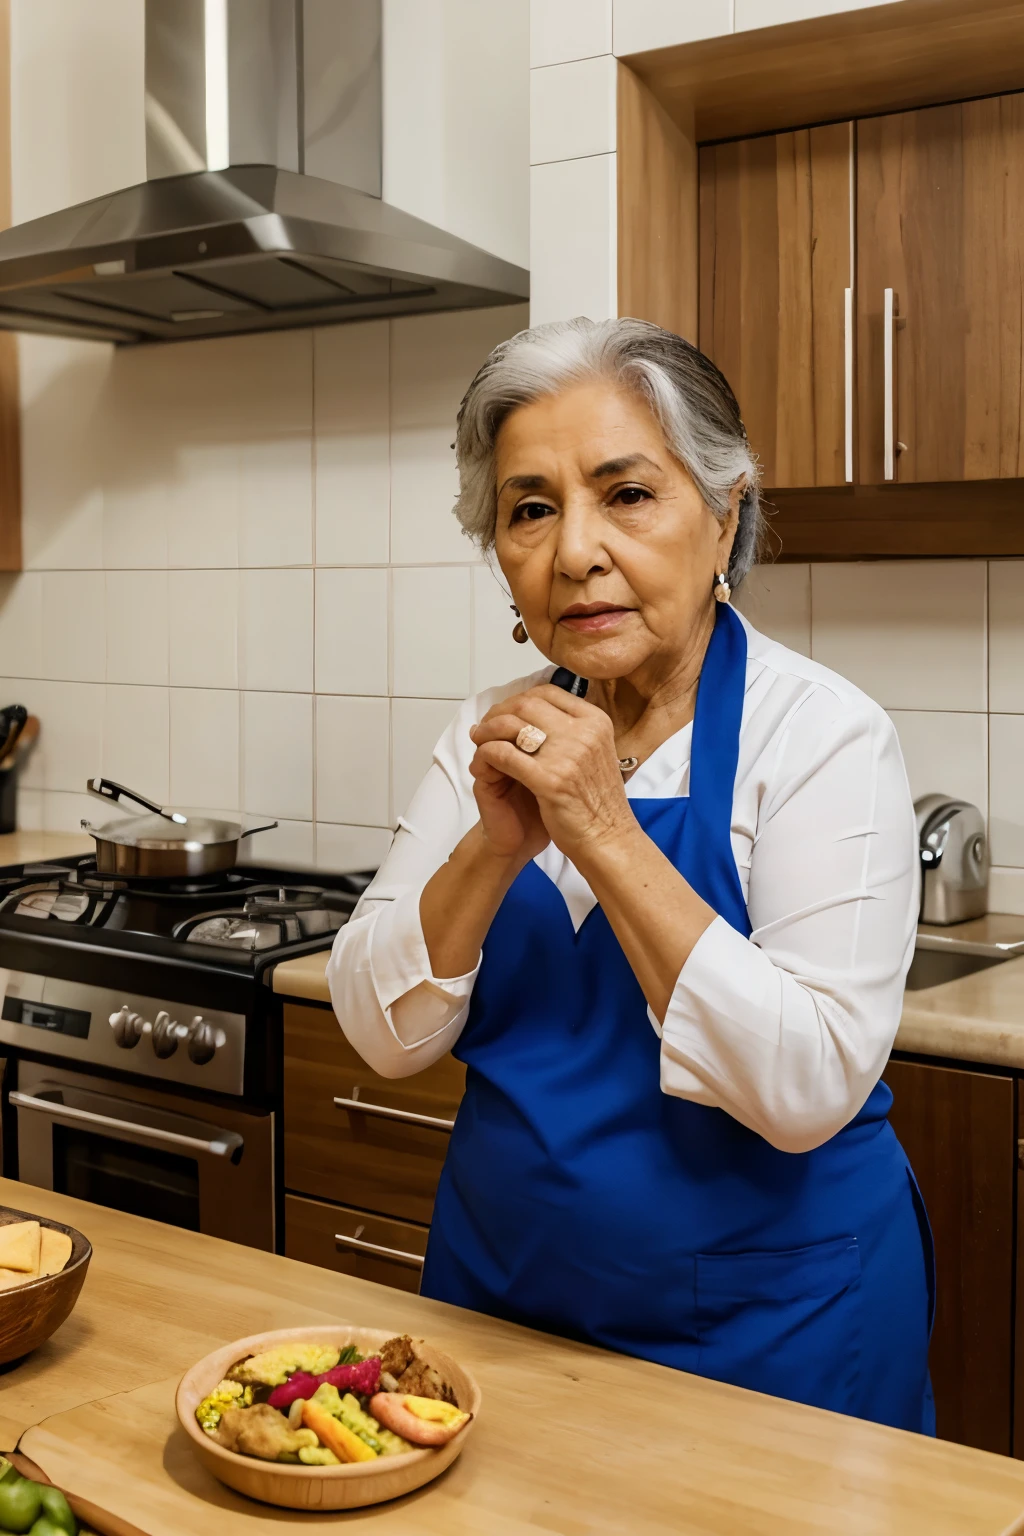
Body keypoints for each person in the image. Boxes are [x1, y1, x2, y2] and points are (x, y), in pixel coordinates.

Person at [328, 317, 933, 1432]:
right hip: (499, 1301)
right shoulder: (486, 730)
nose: (574, 553)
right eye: (530, 509)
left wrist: (603, 830)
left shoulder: (821, 738)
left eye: (628, 495)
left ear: (724, 517)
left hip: (767, 1330)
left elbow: (806, 1087)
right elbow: (380, 1030)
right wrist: (494, 842)